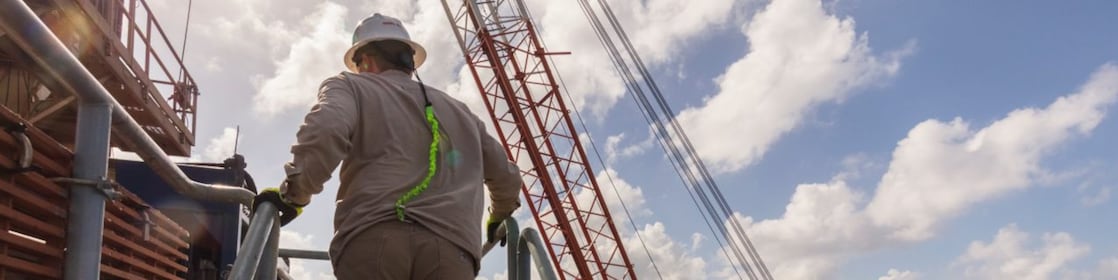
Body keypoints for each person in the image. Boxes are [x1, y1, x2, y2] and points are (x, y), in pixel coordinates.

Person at [251, 13, 523, 279]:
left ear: (365, 59)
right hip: (454, 253)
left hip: (373, 239)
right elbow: (507, 178)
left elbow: (326, 129)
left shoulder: (350, 86)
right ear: (409, 60)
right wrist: (498, 216)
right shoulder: (462, 113)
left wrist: (295, 196)